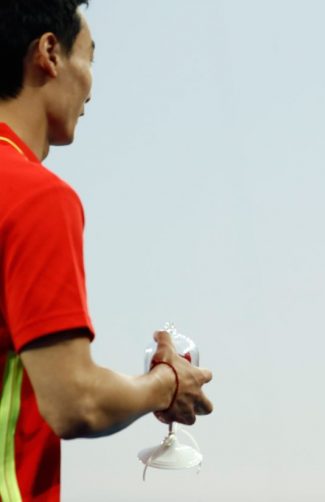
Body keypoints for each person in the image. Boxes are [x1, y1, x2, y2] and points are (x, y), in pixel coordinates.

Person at [0, 2, 214, 500]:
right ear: (49, 53)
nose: (91, 85)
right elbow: (77, 403)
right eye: (89, 58)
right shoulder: (34, 197)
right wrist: (168, 383)